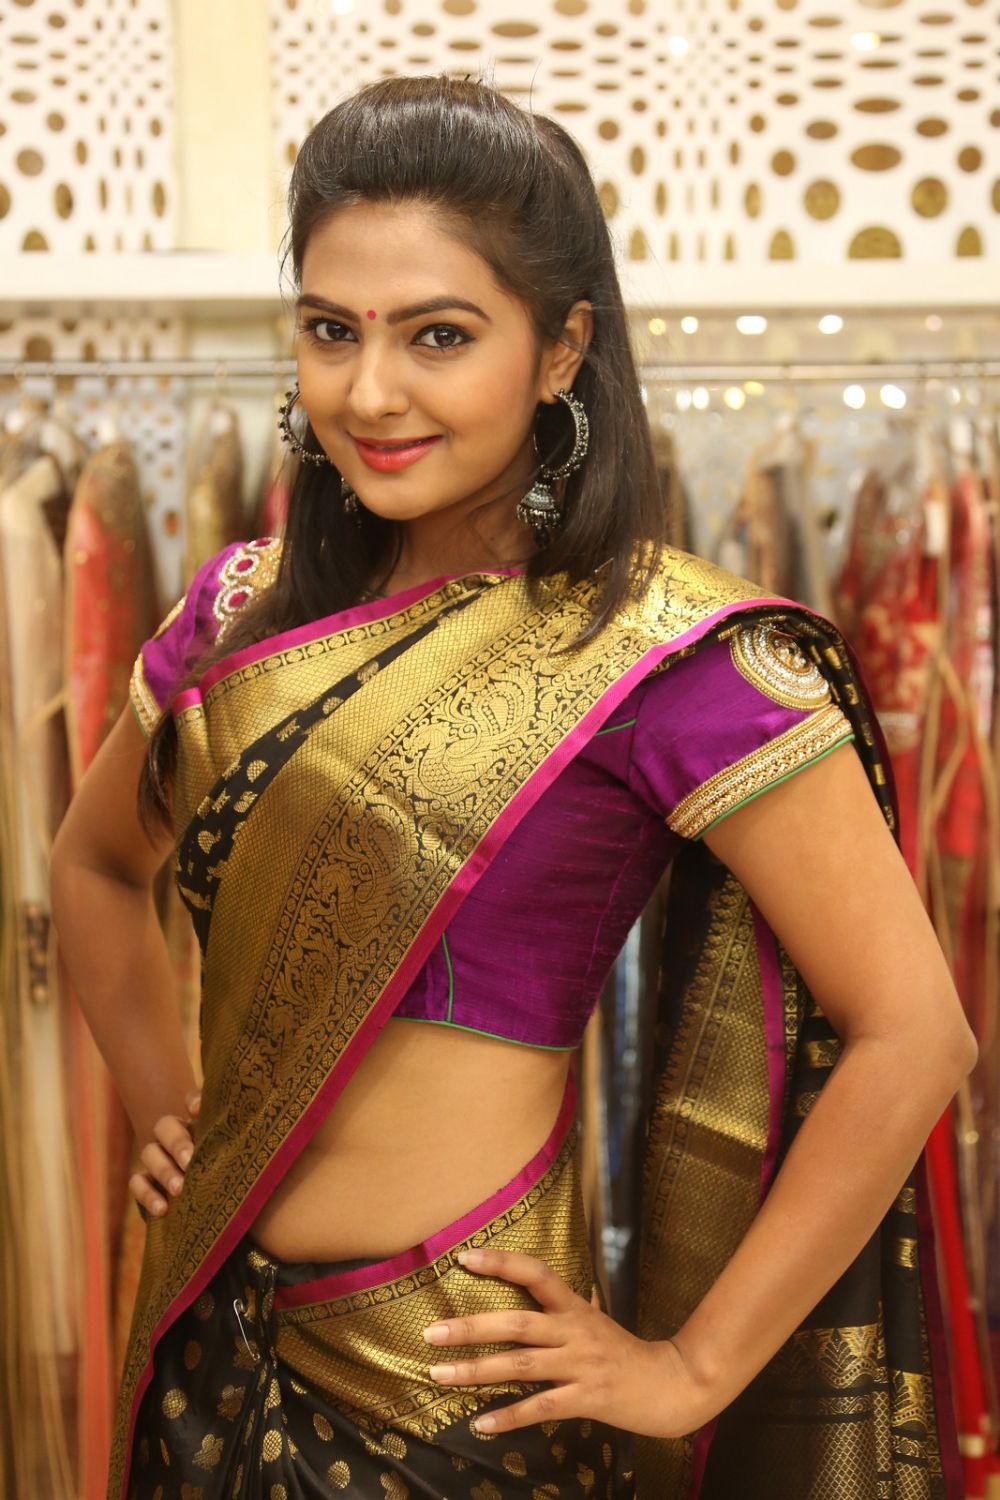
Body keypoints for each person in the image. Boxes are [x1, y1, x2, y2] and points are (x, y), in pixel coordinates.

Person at [49, 73, 977, 1500]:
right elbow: (95, 868)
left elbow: (914, 1034)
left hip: (458, 1401)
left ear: (562, 350)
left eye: (439, 336)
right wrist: (170, 1106)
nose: (371, 392)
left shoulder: (666, 655)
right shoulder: (240, 616)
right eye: (331, 330)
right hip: (210, 1348)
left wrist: (690, 1369)